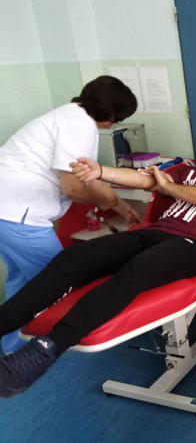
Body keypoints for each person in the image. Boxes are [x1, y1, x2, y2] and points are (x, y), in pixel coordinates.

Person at [0, 114, 196, 398]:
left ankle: (46, 349)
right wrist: (100, 171)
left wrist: (168, 187)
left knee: (138, 270)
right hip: (156, 232)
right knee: (73, 258)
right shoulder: (185, 170)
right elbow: (143, 180)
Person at [0, 76, 141, 354]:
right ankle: (54, 347)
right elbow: (74, 187)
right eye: (116, 117)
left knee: (22, 281)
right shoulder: (81, 126)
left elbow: (87, 179)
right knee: (63, 278)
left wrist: (121, 206)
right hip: (20, 213)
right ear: (109, 112)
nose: (114, 124)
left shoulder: (67, 115)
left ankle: (13, 347)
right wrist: (106, 201)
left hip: (8, 210)